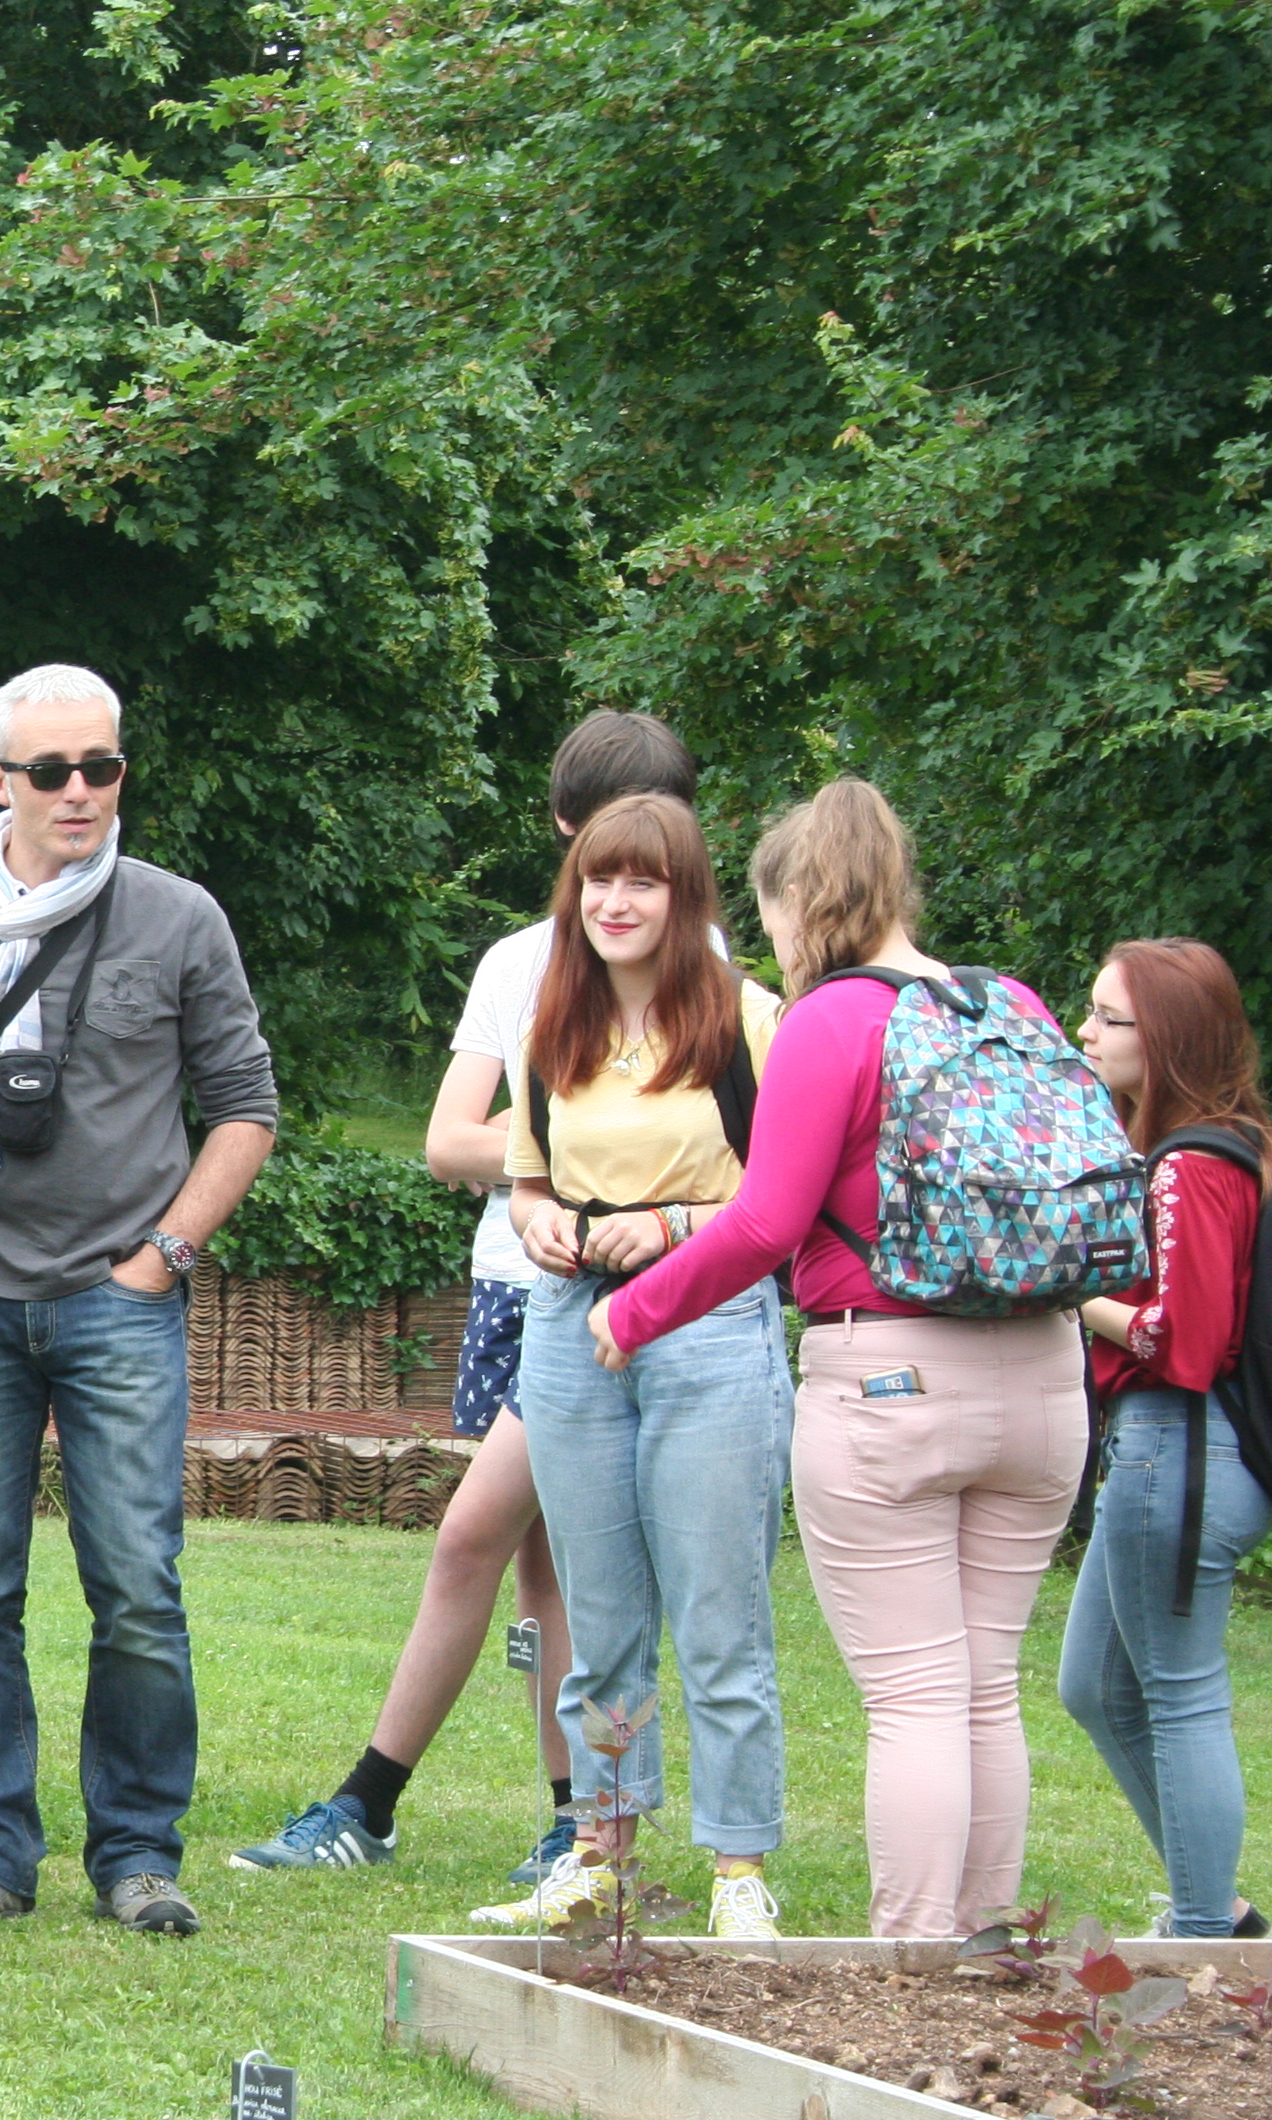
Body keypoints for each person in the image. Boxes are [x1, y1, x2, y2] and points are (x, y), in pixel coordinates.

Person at [595, 778, 1086, 1941]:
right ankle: (988, 1949)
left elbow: (766, 1223)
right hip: (1046, 1375)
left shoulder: (830, 1021)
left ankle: (910, 1964)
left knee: (915, 1696)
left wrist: (633, 1313)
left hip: (893, 1381)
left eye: (769, 914)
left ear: (802, 902)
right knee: (985, 1689)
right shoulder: (1013, 1003)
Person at [234, 711, 699, 1884]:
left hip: (628, 1304)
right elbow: (449, 1140)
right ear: (563, 831)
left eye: (654, 848)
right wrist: (580, 1155)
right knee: (540, 1567)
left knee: (484, 1543)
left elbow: (729, 1167)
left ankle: (382, 1801)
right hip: (515, 1288)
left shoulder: (710, 976)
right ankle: (571, 1817)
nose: (621, 884)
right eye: (601, 846)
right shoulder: (521, 962)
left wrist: (591, 1166)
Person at [0, 664, 277, 1940]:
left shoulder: (178, 915)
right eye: (51, 772)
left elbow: (245, 1108)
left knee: (138, 1587)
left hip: (120, 1301)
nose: (82, 791)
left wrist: (163, 1255)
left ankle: (139, 1856)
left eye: (102, 766)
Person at [458, 791, 788, 1942]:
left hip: (708, 1318)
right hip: (571, 1321)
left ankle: (739, 1871)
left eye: (642, 880)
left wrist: (673, 1229)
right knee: (598, 1619)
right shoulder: (556, 1019)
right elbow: (526, 1178)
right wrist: (540, 1219)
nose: (615, 901)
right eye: (599, 879)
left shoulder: (750, 1019)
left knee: (718, 1615)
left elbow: (786, 1195)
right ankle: (601, 1853)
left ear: (683, 895)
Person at [1061, 939, 1272, 1940]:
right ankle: (1216, 1911)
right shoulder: (1238, 1147)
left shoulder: (1190, 1164)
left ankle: (1202, 1936)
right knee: (1095, 1687)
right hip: (1184, 1453)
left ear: (1172, 1037)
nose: (1085, 1032)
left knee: (1180, 1696)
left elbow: (1176, 1342)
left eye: (1110, 1018)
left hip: (1179, 1449)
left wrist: (1068, 1293)